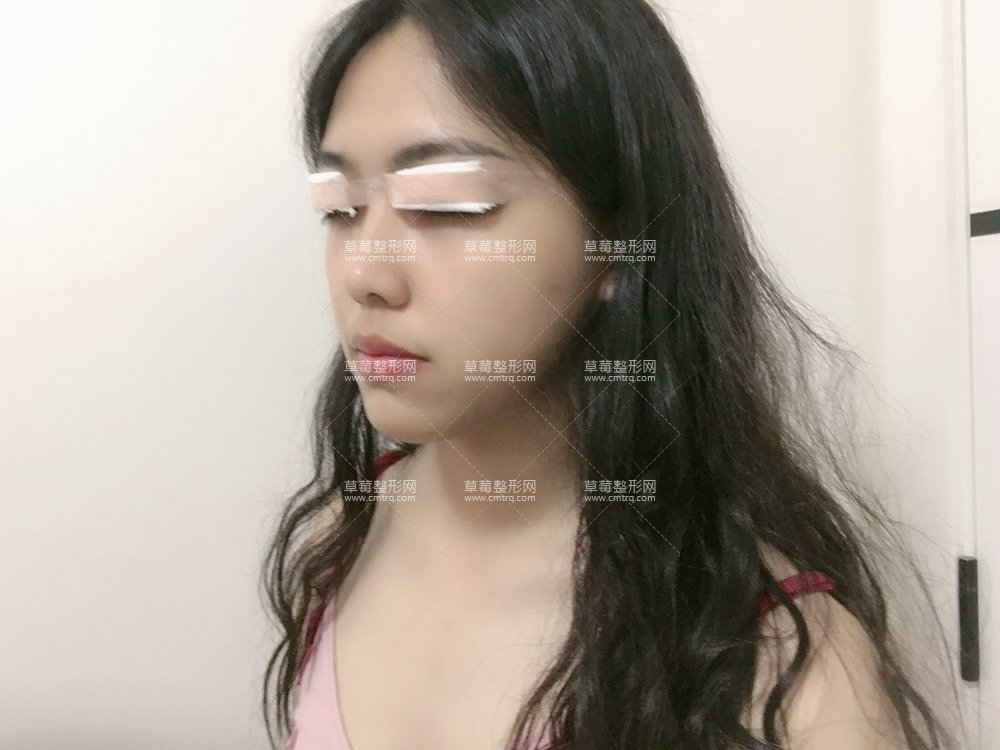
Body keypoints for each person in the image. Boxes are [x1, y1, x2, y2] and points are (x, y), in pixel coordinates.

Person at [260, 1, 958, 748]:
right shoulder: (340, 538)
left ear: (618, 242)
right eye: (340, 208)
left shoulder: (784, 675)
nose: (364, 274)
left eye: (445, 204)